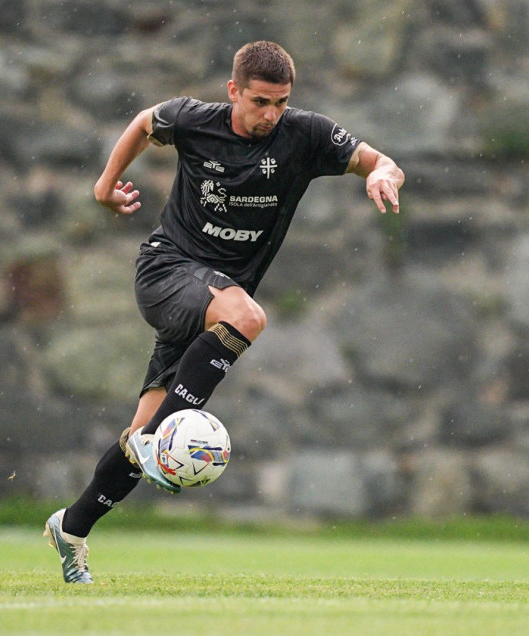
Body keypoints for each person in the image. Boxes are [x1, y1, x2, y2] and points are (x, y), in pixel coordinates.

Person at [44, 40, 404, 583]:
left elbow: (379, 161)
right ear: (233, 90)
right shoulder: (195, 120)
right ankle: (159, 441)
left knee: (139, 437)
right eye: (260, 101)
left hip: (210, 306)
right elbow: (146, 121)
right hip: (168, 273)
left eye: (281, 102)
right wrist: (103, 186)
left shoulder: (305, 134)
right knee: (249, 318)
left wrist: (383, 176)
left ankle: (72, 528)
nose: (271, 114)